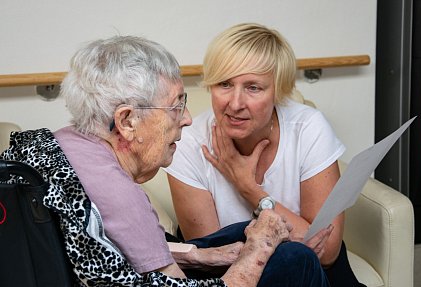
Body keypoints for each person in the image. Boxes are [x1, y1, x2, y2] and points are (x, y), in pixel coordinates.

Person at [0, 36, 329, 286]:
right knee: (293, 257)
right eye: (175, 106)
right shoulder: (119, 196)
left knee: (236, 234)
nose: (186, 119)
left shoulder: (65, 144)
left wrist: (199, 256)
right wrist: (260, 248)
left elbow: (118, 250)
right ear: (127, 121)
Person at [165, 23, 365, 286]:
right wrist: (297, 237)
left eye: (253, 88)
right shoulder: (188, 141)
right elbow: (212, 261)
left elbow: (327, 254)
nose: (235, 104)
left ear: (277, 92)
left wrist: (249, 189)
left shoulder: (308, 128)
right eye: (224, 84)